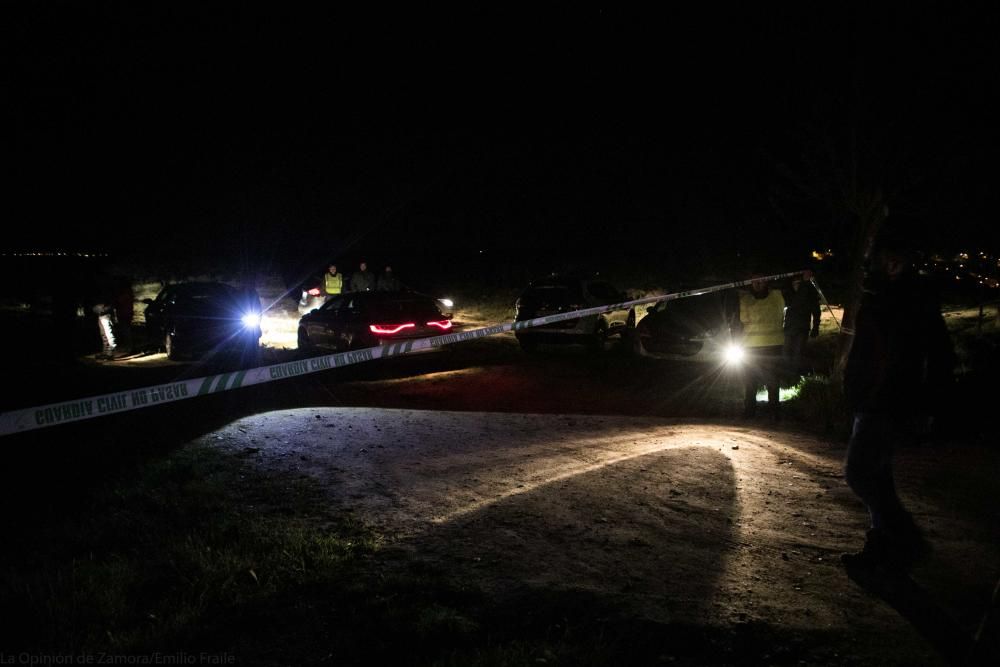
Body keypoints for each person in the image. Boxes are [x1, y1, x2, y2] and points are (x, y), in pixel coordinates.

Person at [841, 238, 955, 570]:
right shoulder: (884, 298)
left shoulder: (908, 302)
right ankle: (881, 547)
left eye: (872, 259)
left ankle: (908, 541)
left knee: (859, 473)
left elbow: (936, 356)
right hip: (873, 400)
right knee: (879, 475)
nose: (866, 265)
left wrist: (928, 405)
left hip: (887, 402)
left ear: (893, 262)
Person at [736, 273, 786, 419]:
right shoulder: (744, 299)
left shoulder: (778, 295)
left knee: (772, 381)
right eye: (755, 281)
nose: (758, 284)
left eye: (761, 280)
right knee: (750, 381)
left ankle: (774, 412)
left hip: (772, 346)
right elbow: (741, 319)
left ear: (767, 281)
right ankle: (750, 411)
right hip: (751, 347)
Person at [781, 270, 821, 379]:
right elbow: (793, 302)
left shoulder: (809, 295)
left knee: (798, 354)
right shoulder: (789, 294)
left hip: (802, 329)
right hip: (789, 328)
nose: (796, 286)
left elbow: (816, 311)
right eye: (795, 283)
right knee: (786, 353)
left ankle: (795, 376)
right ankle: (786, 377)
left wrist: (816, 327)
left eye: (799, 283)